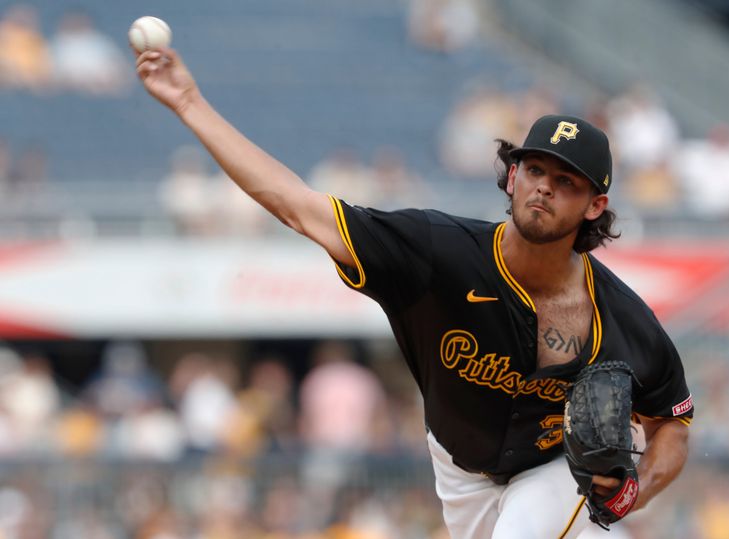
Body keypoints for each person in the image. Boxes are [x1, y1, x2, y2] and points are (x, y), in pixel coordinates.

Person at [133, 47, 693, 538]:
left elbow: (673, 422)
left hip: (556, 467)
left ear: (595, 205)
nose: (544, 185)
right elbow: (299, 207)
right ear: (511, 176)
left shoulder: (620, 316)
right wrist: (190, 104)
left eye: (566, 180)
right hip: (460, 471)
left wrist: (634, 492)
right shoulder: (437, 252)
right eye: (533, 168)